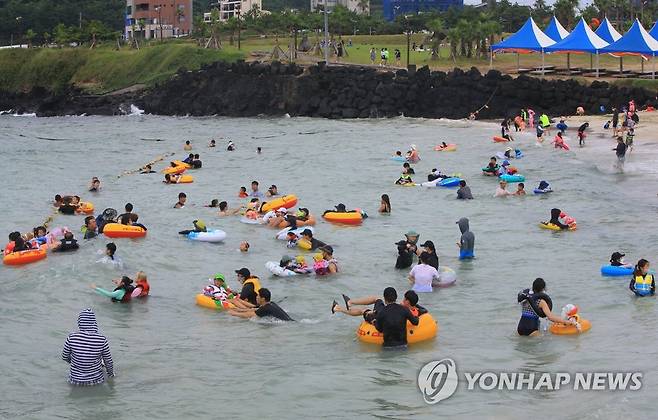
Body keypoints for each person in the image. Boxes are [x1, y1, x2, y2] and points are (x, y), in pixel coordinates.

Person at [341, 287, 418, 348]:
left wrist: (374, 321)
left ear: (384, 299)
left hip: (387, 347)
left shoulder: (382, 312)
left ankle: (344, 305)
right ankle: (342, 306)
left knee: (366, 312)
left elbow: (379, 329)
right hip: (403, 346)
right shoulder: (404, 309)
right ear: (396, 297)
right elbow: (415, 322)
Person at [61, 308, 114, 386]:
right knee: (102, 364)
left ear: (79, 322)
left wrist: (75, 362)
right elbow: (108, 361)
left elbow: (64, 356)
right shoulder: (102, 339)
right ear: (94, 323)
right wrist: (111, 374)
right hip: (95, 381)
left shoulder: (72, 337)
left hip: (75, 381)